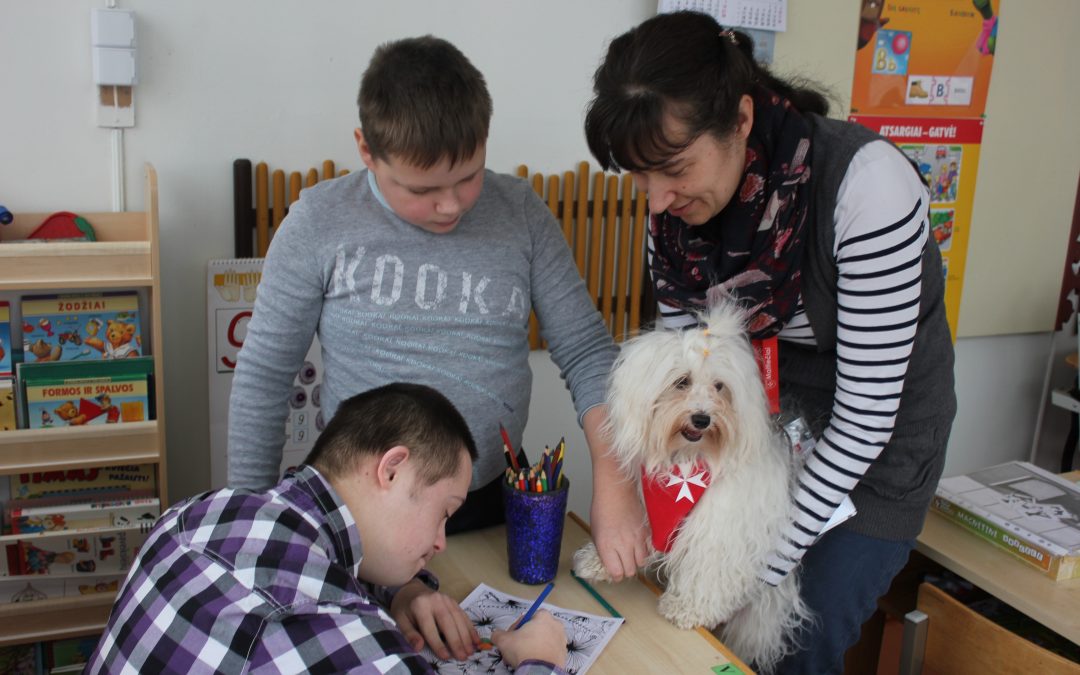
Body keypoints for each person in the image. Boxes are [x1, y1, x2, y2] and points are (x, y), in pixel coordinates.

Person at [582, 11, 956, 674]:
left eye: (672, 169)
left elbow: (868, 416)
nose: (657, 201)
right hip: (754, 415)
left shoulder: (868, 189)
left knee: (798, 632)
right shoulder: (673, 216)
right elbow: (676, 373)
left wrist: (757, 561)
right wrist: (655, 505)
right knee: (688, 610)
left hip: (875, 442)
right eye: (640, 177)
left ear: (742, 119)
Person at [226, 35, 643, 566]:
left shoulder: (520, 214)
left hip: (486, 501)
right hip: (360, 515)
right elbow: (263, 376)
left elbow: (587, 352)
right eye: (421, 190)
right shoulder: (318, 221)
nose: (449, 205)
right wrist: (249, 526)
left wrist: (616, 485)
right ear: (366, 150)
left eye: (467, 178)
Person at [87, 383, 569, 673]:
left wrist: (399, 592)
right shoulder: (343, 633)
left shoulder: (199, 513)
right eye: (444, 511)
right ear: (392, 470)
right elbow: (316, 609)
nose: (440, 542)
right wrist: (542, 659)